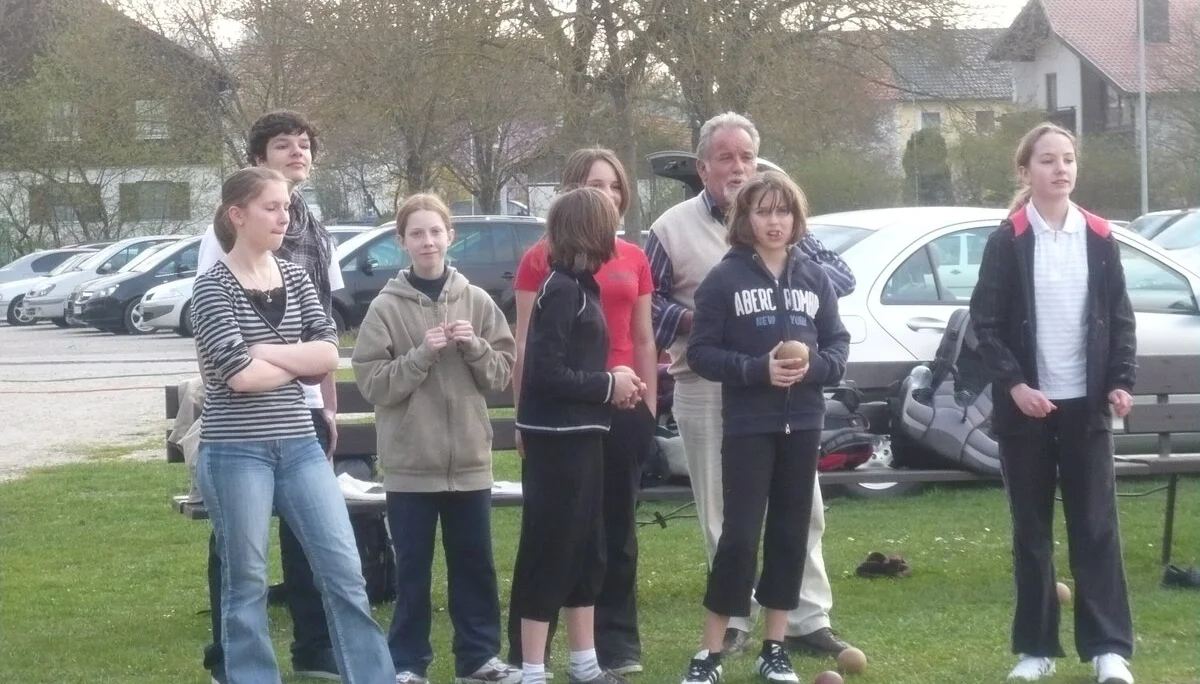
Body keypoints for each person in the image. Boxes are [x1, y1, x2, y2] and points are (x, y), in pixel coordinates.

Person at [644, 112, 857, 657]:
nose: (738, 167)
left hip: (788, 395)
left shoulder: (782, 218)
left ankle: (806, 617)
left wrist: (786, 255)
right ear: (703, 167)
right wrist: (707, 321)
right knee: (725, 513)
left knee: (799, 507)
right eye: (725, 157)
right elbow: (650, 304)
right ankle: (734, 619)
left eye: (746, 157)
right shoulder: (670, 227)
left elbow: (841, 281)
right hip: (706, 382)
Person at [191, 167, 394, 684]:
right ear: (238, 215)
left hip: (300, 446)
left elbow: (328, 353)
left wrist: (263, 351)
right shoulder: (212, 288)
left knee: (345, 571)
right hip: (236, 451)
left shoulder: (299, 277)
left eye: (286, 206)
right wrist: (288, 360)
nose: (285, 217)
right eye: (272, 207)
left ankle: (372, 676)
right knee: (248, 580)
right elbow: (238, 377)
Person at [969, 122, 1137, 684]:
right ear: (1026, 171)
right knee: (1032, 531)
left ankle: (1108, 649)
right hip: (1028, 412)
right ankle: (1036, 648)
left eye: (1067, 159)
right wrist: (1017, 386)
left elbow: (1119, 319)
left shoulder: (1099, 235)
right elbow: (985, 326)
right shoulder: (1007, 239)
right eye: (1047, 160)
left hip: (1086, 411)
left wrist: (1119, 381)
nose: (1059, 169)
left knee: (1095, 527)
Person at [679, 171, 850, 684]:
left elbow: (838, 347)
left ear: (797, 219)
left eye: (784, 212)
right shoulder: (724, 279)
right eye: (764, 212)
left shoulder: (814, 277)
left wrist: (812, 368)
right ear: (745, 219)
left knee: (790, 535)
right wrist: (759, 369)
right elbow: (702, 353)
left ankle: (775, 647)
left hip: (804, 422)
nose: (774, 222)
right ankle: (708, 654)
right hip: (748, 425)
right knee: (738, 537)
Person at [196, 110, 346, 684]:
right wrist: (279, 363)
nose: (297, 154)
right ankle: (229, 659)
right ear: (259, 158)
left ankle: (314, 648)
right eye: (283, 146)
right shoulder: (226, 233)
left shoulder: (314, 226)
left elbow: (326, 334)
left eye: (304, 145)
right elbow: (221, 343)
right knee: (239, 552)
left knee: (315, 542)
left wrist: (325, 401)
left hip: (302, 409)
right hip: (240, 418)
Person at [351, 193, 520, 684]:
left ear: (451, 237)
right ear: (402, 242)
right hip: (410, 467)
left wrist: (475, 346)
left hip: (469, 461)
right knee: (413, 573)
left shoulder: (477, 301)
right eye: (416, 233)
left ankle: (479, 658)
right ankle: (407, 663)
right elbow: (373, 383)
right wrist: (421, 354)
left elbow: (500, 374)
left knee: (475, 567)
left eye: (435, 231)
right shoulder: (385, 308)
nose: (428, 241)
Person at [508, 148, 657, 675]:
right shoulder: (557, 284)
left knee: (598, 540)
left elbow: (641, 337)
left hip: (601, 420)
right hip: (563, 426)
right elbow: (538, 360)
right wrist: (605, 384)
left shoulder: (600, 275)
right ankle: (529, 662)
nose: (613, 206)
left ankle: (592, 655)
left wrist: (640, 399)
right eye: (600, 195)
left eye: (616, 190)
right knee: (553, 541)